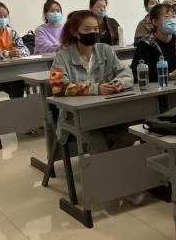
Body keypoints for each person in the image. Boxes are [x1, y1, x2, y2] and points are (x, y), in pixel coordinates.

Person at [49, 10, 135, 152]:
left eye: (95, 29)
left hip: (107, 110)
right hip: (75, 117)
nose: (93, 33)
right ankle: (105, 163)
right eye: (87, 29)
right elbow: (56, 87)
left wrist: (118, 83)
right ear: (75, 32)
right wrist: (96, 88)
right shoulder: (61, 56)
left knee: (130, 133)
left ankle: (112, 161)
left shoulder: (105, 50)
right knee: (97, 142)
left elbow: (126, 73)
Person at [131, 1, 176, 82]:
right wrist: (169, 75)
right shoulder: (145, 44)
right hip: (158, 88)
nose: (172, 20)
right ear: (155, 22)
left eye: (173, 17)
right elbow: (136, 73)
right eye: (167, 17)